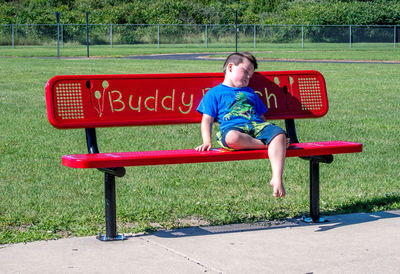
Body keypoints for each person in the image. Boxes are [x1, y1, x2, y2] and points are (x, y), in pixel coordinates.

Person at [195, 52, 289, 197]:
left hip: (255, 126)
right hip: (233, 129)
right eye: (245, 72)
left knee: (279, 134)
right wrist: (207, 141)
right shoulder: (214, 93)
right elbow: (207, 119)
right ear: (230, 67)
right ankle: (270, 145)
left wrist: (272, 133)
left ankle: (276, 178)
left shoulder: (251, 93)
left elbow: (262, 118)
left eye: (250, 76)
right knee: (232, 138)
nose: (247, 78)